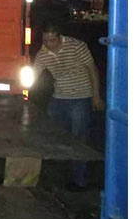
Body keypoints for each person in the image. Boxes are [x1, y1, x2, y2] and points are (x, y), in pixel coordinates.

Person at [34, 20, 105, 190]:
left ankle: (79, 179)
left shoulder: (77, 46)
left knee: (79, 138)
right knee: (54, 135)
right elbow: (34, 73)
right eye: (45, 40)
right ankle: (57, 173)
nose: (48, 44)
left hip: (80, 97)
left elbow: (92, 70)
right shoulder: (43, 53)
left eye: (52, 40)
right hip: (59, 97)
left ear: (60, 37)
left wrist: (96, 96)